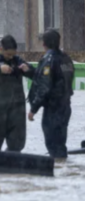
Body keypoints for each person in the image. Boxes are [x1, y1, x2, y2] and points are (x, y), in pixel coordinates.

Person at [25, 30, 75, 159]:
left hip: (53, 108)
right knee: (60, 142)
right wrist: (31, 72)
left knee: (53, 144)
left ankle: (57, 170)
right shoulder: (66, 58)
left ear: (44, 44)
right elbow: (57, 79)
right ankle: (63, 170)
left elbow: (45, 86)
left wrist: (33, 109)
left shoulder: (49, 59)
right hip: (65, 106)